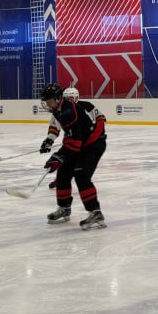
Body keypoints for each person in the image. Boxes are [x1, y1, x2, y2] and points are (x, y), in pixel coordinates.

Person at [39, 83, 108, 228]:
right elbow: (67, 135)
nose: (46, 104)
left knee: (81, 175)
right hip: (81, 143)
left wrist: (58, 156)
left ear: (58, 99)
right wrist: (49, 141)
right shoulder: (59, 110)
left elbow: (75, 143)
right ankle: (64, 208)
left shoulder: (70, 112)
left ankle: (95, 212)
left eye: (49, 101)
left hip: (93, 145)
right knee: (63, 173)